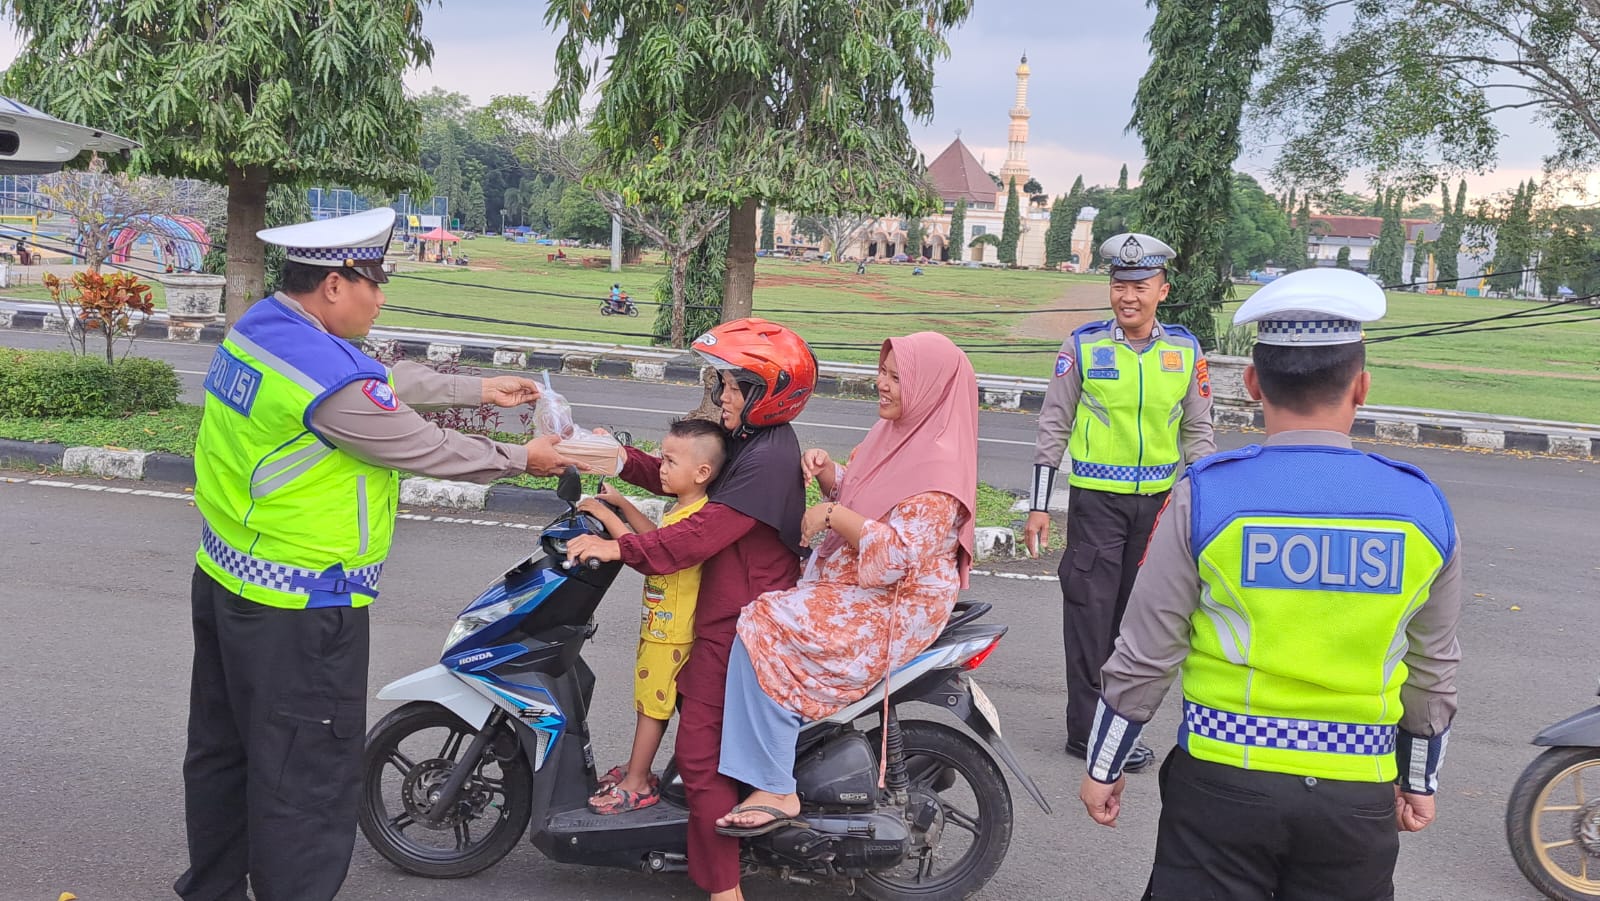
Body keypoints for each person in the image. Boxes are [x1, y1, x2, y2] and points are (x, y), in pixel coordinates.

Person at [177, 207, 581, 901]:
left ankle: (211, 888)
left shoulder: (264, 329)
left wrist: (477, 388)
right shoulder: (326, 379)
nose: (381, 294)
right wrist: (523, 456)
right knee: (305, 775)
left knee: (226, 751)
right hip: (304, 603)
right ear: (335, 283)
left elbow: (375, 378)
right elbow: (414, 441)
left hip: (226, 579)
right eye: (376, 280)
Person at [1078, 267, 1462, 900]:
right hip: (1357, 791)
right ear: (1362, 387)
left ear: (1253, 382)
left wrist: (1104, 763)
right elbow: (1433, 667)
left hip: (1221, 785)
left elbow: (1147, 652)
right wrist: (1419, 778)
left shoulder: (1206, 497)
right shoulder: (1422, 509)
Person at [565, 318, 815, 901]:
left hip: (738, 629)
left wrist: (615, 544)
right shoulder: (755, 442)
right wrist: (615, 458)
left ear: (768, 393)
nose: (724, 396)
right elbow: (683, 478)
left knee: (700, 761)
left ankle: (724, 892)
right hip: (725, 615)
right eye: (724, 384)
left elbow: (694, 536)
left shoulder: (770, 458)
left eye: (734, 387)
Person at [712, 332, 979, 838]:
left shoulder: (939, 469)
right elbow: (869, 496)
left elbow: (896, 555)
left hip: (894, 601)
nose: (883, 383)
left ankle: (775, 785)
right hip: (861, 582)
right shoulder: (895, 434)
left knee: (765, 622)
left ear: (930, 388)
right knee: (762, 607)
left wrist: (833, 513)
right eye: (884, 370)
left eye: (898, 377)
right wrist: (831, 474)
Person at [1023, 232, 1216, 772]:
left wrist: (1203, 505)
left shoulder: (1184, 351)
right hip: (1095, 505)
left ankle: (1120, 725)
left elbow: (1198, 433)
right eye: (1119, 285)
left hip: (1157, 509)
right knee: (1090, 615)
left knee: (1139, 622)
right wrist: (1040, 505)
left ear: (1162, 290)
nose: (1127, 295)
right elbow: (1053, 426)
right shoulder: (1082, 347)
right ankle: (1086, 733)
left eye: (1140, 286)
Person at [575, 418, 729, 815]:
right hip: (664, 626)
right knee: (651, 702)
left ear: (702, 472)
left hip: (671, 633)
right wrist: (623, 504)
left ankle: (638, 780)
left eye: (670, 462)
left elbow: (653, 561)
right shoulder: (685, 508)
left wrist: (607, 519)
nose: (661, 467)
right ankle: (636, 767)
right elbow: (655, 543)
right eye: (661, 458)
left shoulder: (699, 516)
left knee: (651, 706)